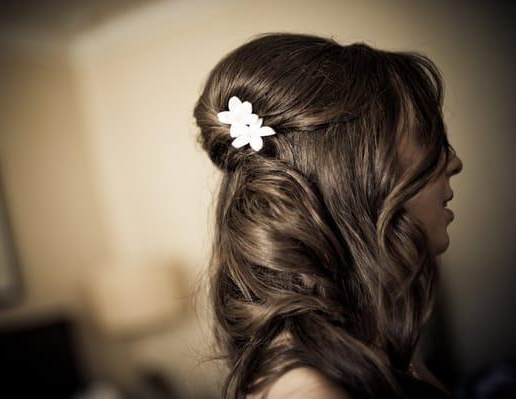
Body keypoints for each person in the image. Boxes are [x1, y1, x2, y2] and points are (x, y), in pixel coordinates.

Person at [192, 33, 463, 399]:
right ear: (347, 169)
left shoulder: (373, 339)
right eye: (425, 136)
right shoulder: (312, 392)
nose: (453, 162)